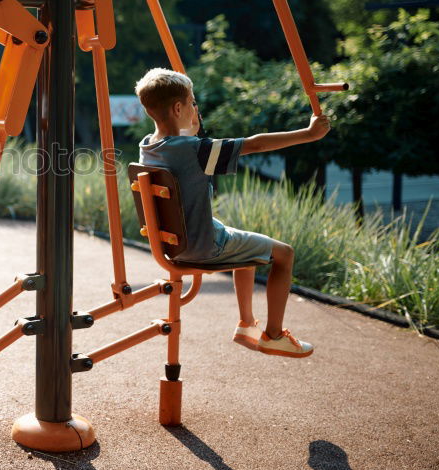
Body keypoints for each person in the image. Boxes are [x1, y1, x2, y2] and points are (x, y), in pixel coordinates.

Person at [133, 67, 330, 359]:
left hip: (174, 245)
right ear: (178, 108)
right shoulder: (195, 149)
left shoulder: (148, 147)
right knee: (284, 254)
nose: (195, 109)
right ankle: (274, 334)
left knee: (244, 244)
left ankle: (246, 324)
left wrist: (188, 130)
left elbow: (178, 148)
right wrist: (309, 134)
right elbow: (256, 143)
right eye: (192, 103)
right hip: (204, 246)